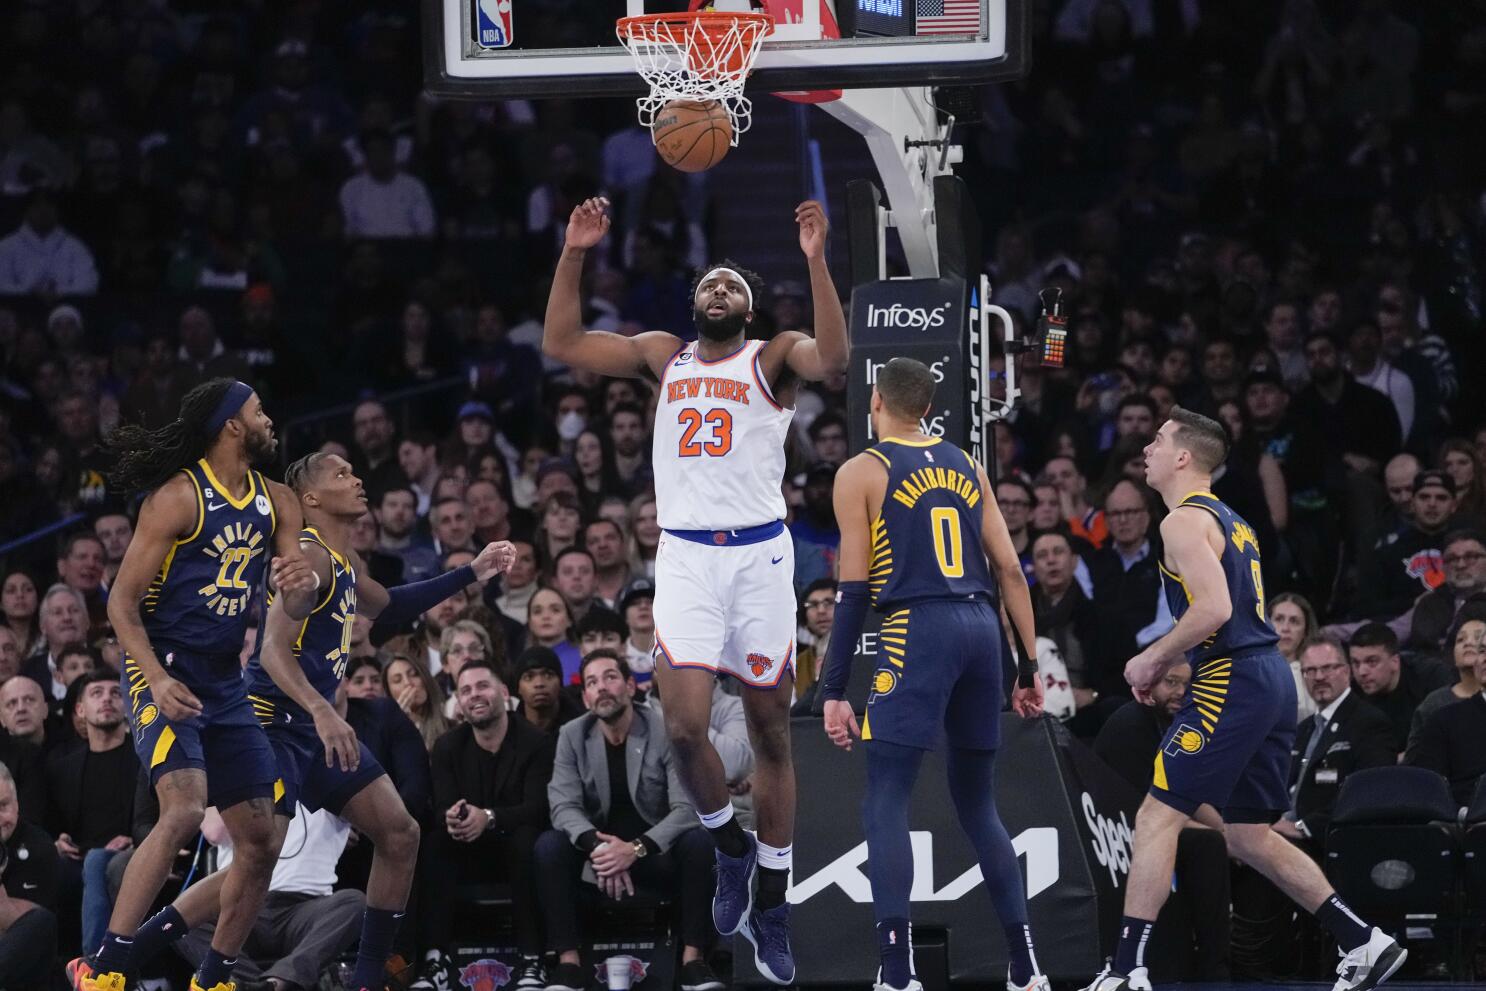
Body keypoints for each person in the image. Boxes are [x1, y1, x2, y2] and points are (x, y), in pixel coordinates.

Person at [543, 196, 848, 981]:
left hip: (759, 559)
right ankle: (732, 849)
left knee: (772, 731)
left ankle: (773, 899)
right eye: (709, 283)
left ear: (746, 307)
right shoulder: (661, 353)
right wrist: (576, 250)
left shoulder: (773, 354)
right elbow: (562, 340)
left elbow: (838, 361)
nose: (718, 290)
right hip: (683, 555)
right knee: (682, 728)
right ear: (694, 304)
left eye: (731, 286)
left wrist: (816, 261)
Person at [102, 452, 514, 991]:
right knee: (254, 865)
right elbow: (271, 650)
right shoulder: (310, 560)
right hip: (273, 726)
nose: (358, 478)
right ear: (311, 500)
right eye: (342, 474)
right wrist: (323, 710)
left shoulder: (344, 563)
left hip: (310, 730)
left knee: (399, 833)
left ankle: (366, 981)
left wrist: (470, 571)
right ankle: (117, 961)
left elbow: (387, 605)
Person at [1080, 407, 1404, 991]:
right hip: (1270, 677)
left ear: (1184, 456)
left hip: (1231, 675)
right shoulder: (1232, 519)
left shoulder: (1181, 522)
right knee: (1249, 832)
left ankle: (1127, 970)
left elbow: (1214, 610)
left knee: (1157, 817)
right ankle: (1363, 939)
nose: (1147, 449)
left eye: (1157, 440)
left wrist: (1151, 657)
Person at [73, 378, 319, 991]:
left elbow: (295, 597)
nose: (269, 420)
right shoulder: (178, 499)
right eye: (259, 411)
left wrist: (301, 585)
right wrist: (152, 678)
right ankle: (104, 971)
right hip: (163, 665)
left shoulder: (280, 500)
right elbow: (121, 605)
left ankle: (213, 977)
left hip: (224, 680)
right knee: (183, 808)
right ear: (232, 424)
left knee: (262, 840)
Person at [818, 357, 1048, 991]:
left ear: (876, 401)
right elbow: (1010, 571)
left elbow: (853, 589)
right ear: (927, 407)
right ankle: (1026, 968)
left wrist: (834, 689)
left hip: (917, 628)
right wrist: (1027, 665)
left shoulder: (862, 470)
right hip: (980, 629)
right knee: (978, 803)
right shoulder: (967, 464)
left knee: (885, 799)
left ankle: (897, 973)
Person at [535, 650, 719, 991]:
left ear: (631, 686)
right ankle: (568, 965)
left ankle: (694, 961)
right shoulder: (572, 735)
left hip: (655, 854)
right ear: (585, 697)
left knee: (701, 842)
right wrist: (602, 849)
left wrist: (634, 849)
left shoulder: (664, 729)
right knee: (549, 846)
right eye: (592, 682)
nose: (602, 687)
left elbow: (687, 808)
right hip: (599, 858)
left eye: (610, 677)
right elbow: (563, 806)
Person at [418, 659, 556, 991]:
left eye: (483, 686)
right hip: (466, 847)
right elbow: (439, 809)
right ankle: (434, 959)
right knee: (436, 841)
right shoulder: (448, 746)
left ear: (504, 693)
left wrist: (489, 818)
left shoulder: (536, 742)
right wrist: (452, 818)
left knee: (527, 841)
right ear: (459, 702)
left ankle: (532, 958)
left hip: (516, 845)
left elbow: (540, 809)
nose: (474, 695)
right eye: (465, 690)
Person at [178, 807, 366, 991]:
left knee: (355, 902)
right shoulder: (235, 779)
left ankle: (278, 981)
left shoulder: (328, 779)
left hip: (305, 910)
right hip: (242, 908)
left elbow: (377, 821)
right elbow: (214, 831)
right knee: (182, 917)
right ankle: (263, 985)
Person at [1275, 637, 1394, 845]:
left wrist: (1304, 827)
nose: (1319, 677)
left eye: (1327, 668)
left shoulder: (1369, 722)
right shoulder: (1302, 729)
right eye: (1310, 671)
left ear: (1346, 672)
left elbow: (1367, 794)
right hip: (1281, 831)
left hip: (1328, 839)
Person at [1346, 622, 1454, 756]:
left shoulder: (1431, 677)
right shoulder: (1351, 692)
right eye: (1355, 663)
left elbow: (1451, 731)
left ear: (1395, 662)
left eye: (1372, 662)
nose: (1362, 672)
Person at [1406, 608, 1486, 760]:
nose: (1468, 643)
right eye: (1460, 640)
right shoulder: (1434, 704)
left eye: (1477, 638)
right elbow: (1415, 761)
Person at [1268, 593, 1320, 723]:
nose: (1285, 628)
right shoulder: (1249, 668)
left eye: (1294, 621)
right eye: (1279, 619)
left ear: (1306, 631)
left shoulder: (1318, 675)